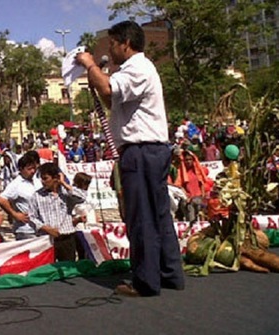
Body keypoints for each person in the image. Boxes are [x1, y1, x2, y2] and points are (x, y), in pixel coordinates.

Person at [76, 20, 185, 296]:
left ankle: (146, 281)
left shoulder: (137, 68)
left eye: (112, 43)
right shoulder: (139, 69)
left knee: (141, 217)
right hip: (149, 150)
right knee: (158, 214)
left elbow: (110, 91)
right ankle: (168, 273)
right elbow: (113, 99)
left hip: (141, 151)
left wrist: (90, 66)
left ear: (126, 43)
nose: (110, 49)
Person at [28, 163, 80, 262]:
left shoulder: (66, 194)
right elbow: (31, 216)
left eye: (45, 178)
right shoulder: (37, 196)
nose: (43, 182)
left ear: (55, 178)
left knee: (68, 269)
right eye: (41, 179)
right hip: (47, 239)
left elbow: (81, 197)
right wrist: (45, 228)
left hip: (66, 238)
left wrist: (63, 183)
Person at [0, 153, 40, 240]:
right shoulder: (16, 184)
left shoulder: (37, 180)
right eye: (29, 169)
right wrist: (14, 214)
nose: (32, 171)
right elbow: (2, 199)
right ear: (21, 169)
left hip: (40, 228)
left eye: (34, 168)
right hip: (25, 230)